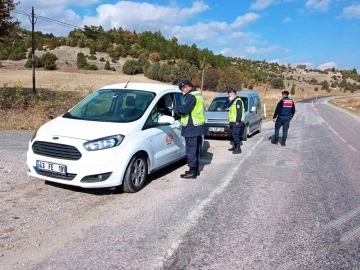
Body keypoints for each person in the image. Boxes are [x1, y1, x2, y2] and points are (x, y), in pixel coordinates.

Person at [172, 80, 205, 179]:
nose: (183, 92)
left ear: (186, 87)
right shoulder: (198, 94)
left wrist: (175, 109)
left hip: (191, 127)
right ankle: (196, 170)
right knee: (196, 150)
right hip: (198, 126)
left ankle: (192, 172)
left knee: (191, 150)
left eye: (183, 90)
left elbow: (185, 109)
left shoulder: (191, 96)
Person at [226, 89, 245, 154]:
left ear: (233, 94)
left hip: (236, 121)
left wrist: (237, 121)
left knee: (235, 134)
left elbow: (239, 112)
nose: (229, 97)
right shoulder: (232, 101)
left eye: (230, 95)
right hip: (232, 121)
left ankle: (238, 148)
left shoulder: (238, 101)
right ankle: (234, 146)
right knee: (233, 134)